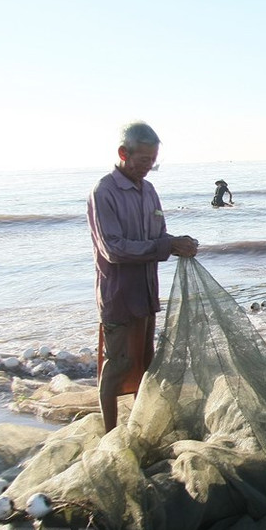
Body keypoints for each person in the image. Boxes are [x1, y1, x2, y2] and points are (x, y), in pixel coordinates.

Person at [87, 121, 199, 433]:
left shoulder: (149, 191)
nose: (148, 168)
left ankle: (137, 426)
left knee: (144, 365)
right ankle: (110, 434)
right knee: (118, 365)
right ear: (124, 153)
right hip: (119, 295)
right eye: (143, 161)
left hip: (147, 293)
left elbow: (159, 236)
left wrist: (179, 244)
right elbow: (113, 249)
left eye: (153, 162)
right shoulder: (103, 192)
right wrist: (166, 246)